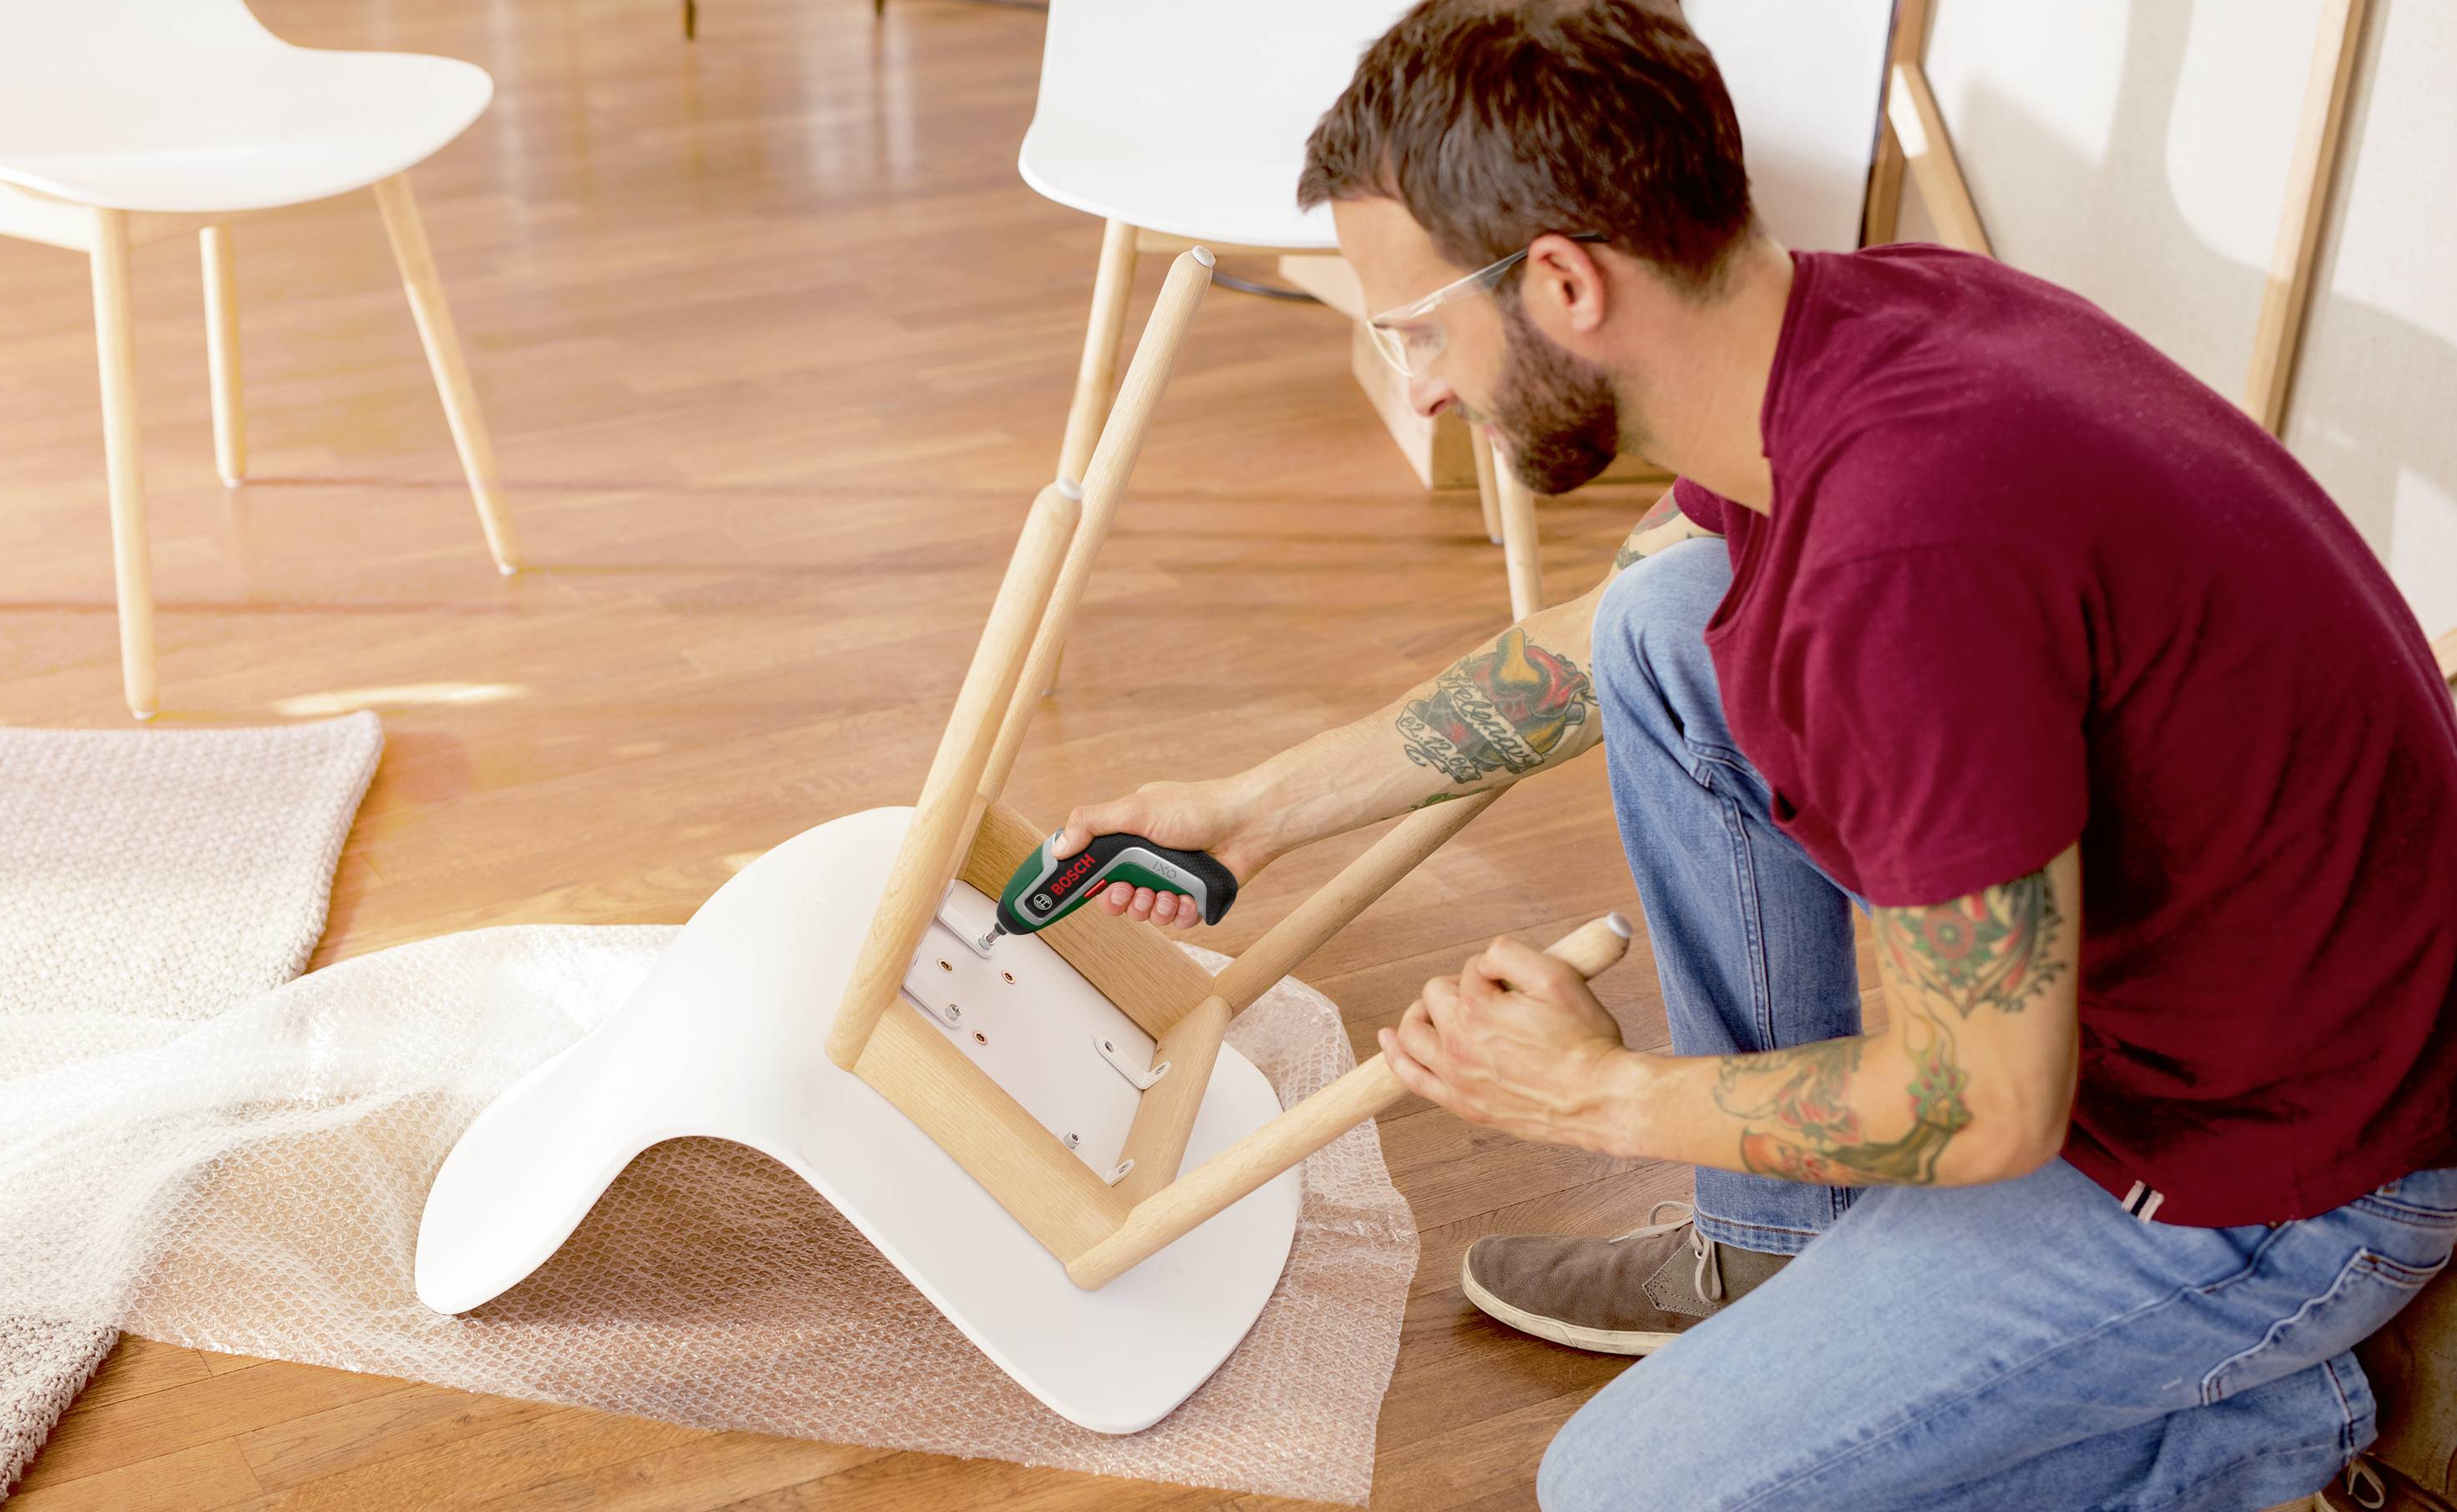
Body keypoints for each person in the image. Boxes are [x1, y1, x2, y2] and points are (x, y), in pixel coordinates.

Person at [1048, 3, 2457, 1507]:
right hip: (2203, 1020)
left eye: (1418, 331)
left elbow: (1980, 1101)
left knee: (1630, 1492)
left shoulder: (1908, 572)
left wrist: (1594, 1095)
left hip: (2267, 1175)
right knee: (1667, 620)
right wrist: (1258, 813)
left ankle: (2259, 1432)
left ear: (1566, 283)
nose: (1423, 390)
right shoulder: (1859, 326)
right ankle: (1774, 1253)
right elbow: (1587, 647)